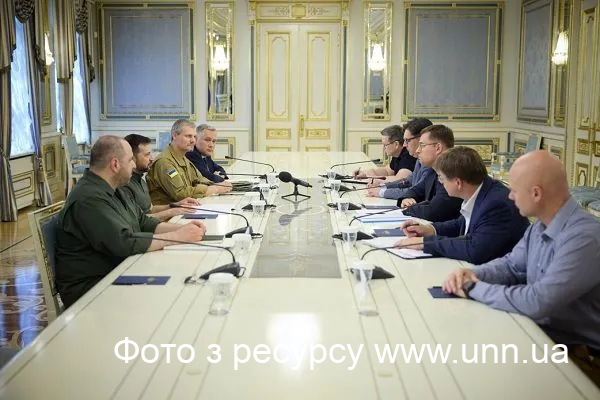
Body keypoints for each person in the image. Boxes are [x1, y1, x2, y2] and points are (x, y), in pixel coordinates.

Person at [442, 150, 600, 387]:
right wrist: (474, 273)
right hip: (547, 338)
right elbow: (511, 266)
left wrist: (473, 287)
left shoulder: (584, 237)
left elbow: (537, 301)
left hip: (583, 359)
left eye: (514, 190)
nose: (510, 196)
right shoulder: (540, 225)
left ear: (536, 193)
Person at [55, 136, 207, 308]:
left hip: (118, 268)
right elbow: (123, 242)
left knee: (180, 279)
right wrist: (177, 237)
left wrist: (183, 229)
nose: (134, 165)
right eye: (130, 160)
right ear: (115, 164)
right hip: (92, 286)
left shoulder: (115, 189)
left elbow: (143, 222)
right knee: (172, 297)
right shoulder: (89, 198)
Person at [395, 146, 529, 264]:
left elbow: (475, 248)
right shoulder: (482, 190)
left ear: (458, 183)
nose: (441, 183)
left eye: (441, 178)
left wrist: (425, 243)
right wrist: (429, 229)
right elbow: (462, 224)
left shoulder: (496, 204)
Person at [147, 119, 232, 205]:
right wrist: (214, 189)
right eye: (188, 136)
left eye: (194, 137)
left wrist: (219, 185)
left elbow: (199, 179)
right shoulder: (165, 162)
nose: (193, 141)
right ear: (175, 135)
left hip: (183, 208)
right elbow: (181, 194)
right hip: (168, 212)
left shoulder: (183, 158)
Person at [123, 134, 199, 221]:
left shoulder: (141, 181)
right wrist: (171, 212)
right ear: (132, 157)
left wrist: (176, 205)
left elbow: (150, 210)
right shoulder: (125, 185)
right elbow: (137, 220)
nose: (151, 158)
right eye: (147, 155)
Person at [396, 124, 462, 222]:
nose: (418, 150)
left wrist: (409, 208)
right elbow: (416, 190)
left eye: (422, 145)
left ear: (438, 148)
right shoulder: (432, 171)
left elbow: (433, 212)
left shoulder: (454, 172)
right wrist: (406, 199)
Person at [366, 118, 434, 198]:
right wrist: (382, 185)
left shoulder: (427, 161)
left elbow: (417, 191)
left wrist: (381, 192)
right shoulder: (419, 159)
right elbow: (407, 181)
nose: (404, 145)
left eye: (407, 140)